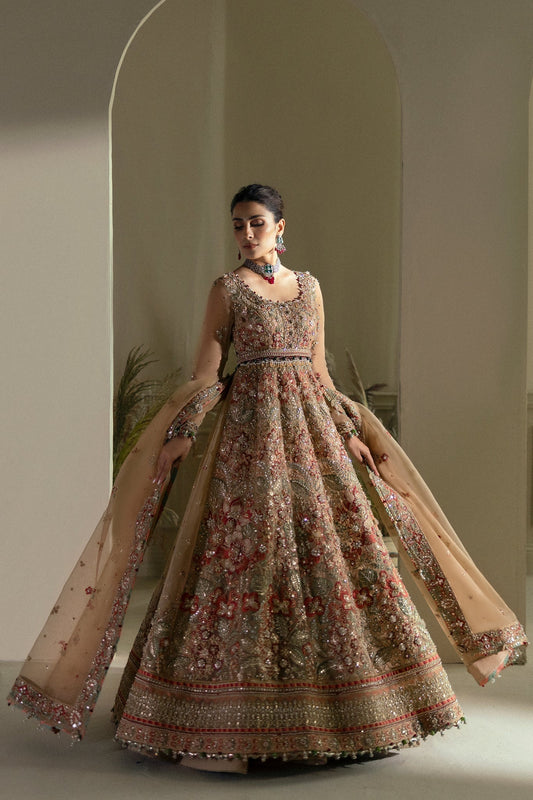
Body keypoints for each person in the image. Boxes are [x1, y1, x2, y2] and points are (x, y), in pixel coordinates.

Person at [8, 184, 527, 774]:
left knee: (328, 549)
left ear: (281, 226)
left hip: (313, 435)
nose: (247, 234)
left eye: (257, 222)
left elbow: (320, 370)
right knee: (246, 552)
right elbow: (207, 373)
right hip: (249, 439)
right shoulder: (227, 290)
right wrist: (183, 430)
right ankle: (222, 721)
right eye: (238, 224)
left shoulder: (310, 287)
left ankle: (359, 713)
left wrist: (349, 430)